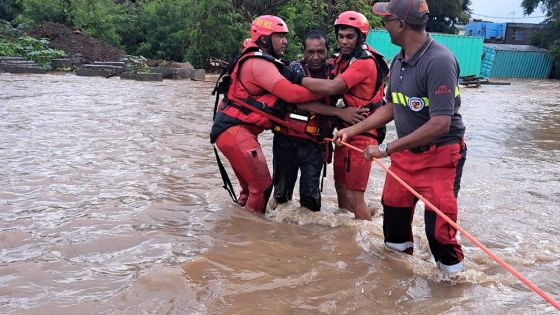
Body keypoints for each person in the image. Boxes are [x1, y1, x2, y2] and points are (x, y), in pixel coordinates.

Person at [335, 0, 467, 273]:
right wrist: (352, 129)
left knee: (439, 233)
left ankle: (453, 289)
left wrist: (385, 149)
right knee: (393, 224)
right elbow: (392, 106)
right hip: (406, 158)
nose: (384, 26)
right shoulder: (399, 60)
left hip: (441, 156)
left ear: (401, 24)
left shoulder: (439, 61)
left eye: (386, 21)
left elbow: (440, 123)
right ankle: (397, 281)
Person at [210, 15, 322, 215]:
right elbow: (292, 94)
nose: (285, 41)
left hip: (230, 132)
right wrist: (331, 89)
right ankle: (254, 240)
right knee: (262, 188)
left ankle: (235, 231)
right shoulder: (258, 63)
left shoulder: (260, 60)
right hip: (236, 133)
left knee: (249, 190)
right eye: (280, 36)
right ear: (264, 39)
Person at [288, 11, 388, 220]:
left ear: (361, 37)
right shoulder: (343, 59)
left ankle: (364, 240)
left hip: (363, 131)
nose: (343, 41)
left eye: (349, 37)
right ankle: (345, 236)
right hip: (344, 132)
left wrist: (295, 78)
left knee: (354, 195)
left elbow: (332, 86)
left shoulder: (364, 62)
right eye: (341, 36)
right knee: (341, 188)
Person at [272, 30, 368, 212]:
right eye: (310, 52)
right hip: (286, 141)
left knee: (311, 199)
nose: (316, 57)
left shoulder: (334, 72)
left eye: (320, 52)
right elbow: (299, 100)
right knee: (281, 196)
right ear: (304, 51)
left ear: (327, 50)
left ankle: (309, 238)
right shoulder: (294, 70)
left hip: (315, 144)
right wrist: (340, 113)